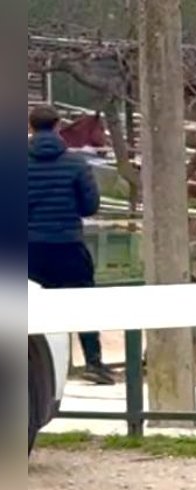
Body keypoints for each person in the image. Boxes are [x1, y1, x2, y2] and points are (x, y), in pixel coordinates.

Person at [27, 103, 116, 385]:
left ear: (30, 128)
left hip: (27, 248)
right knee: (82, 302)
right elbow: (90, 205)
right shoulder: (76, 164)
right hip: (67, 244)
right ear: (57, 126)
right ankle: (93, 363)